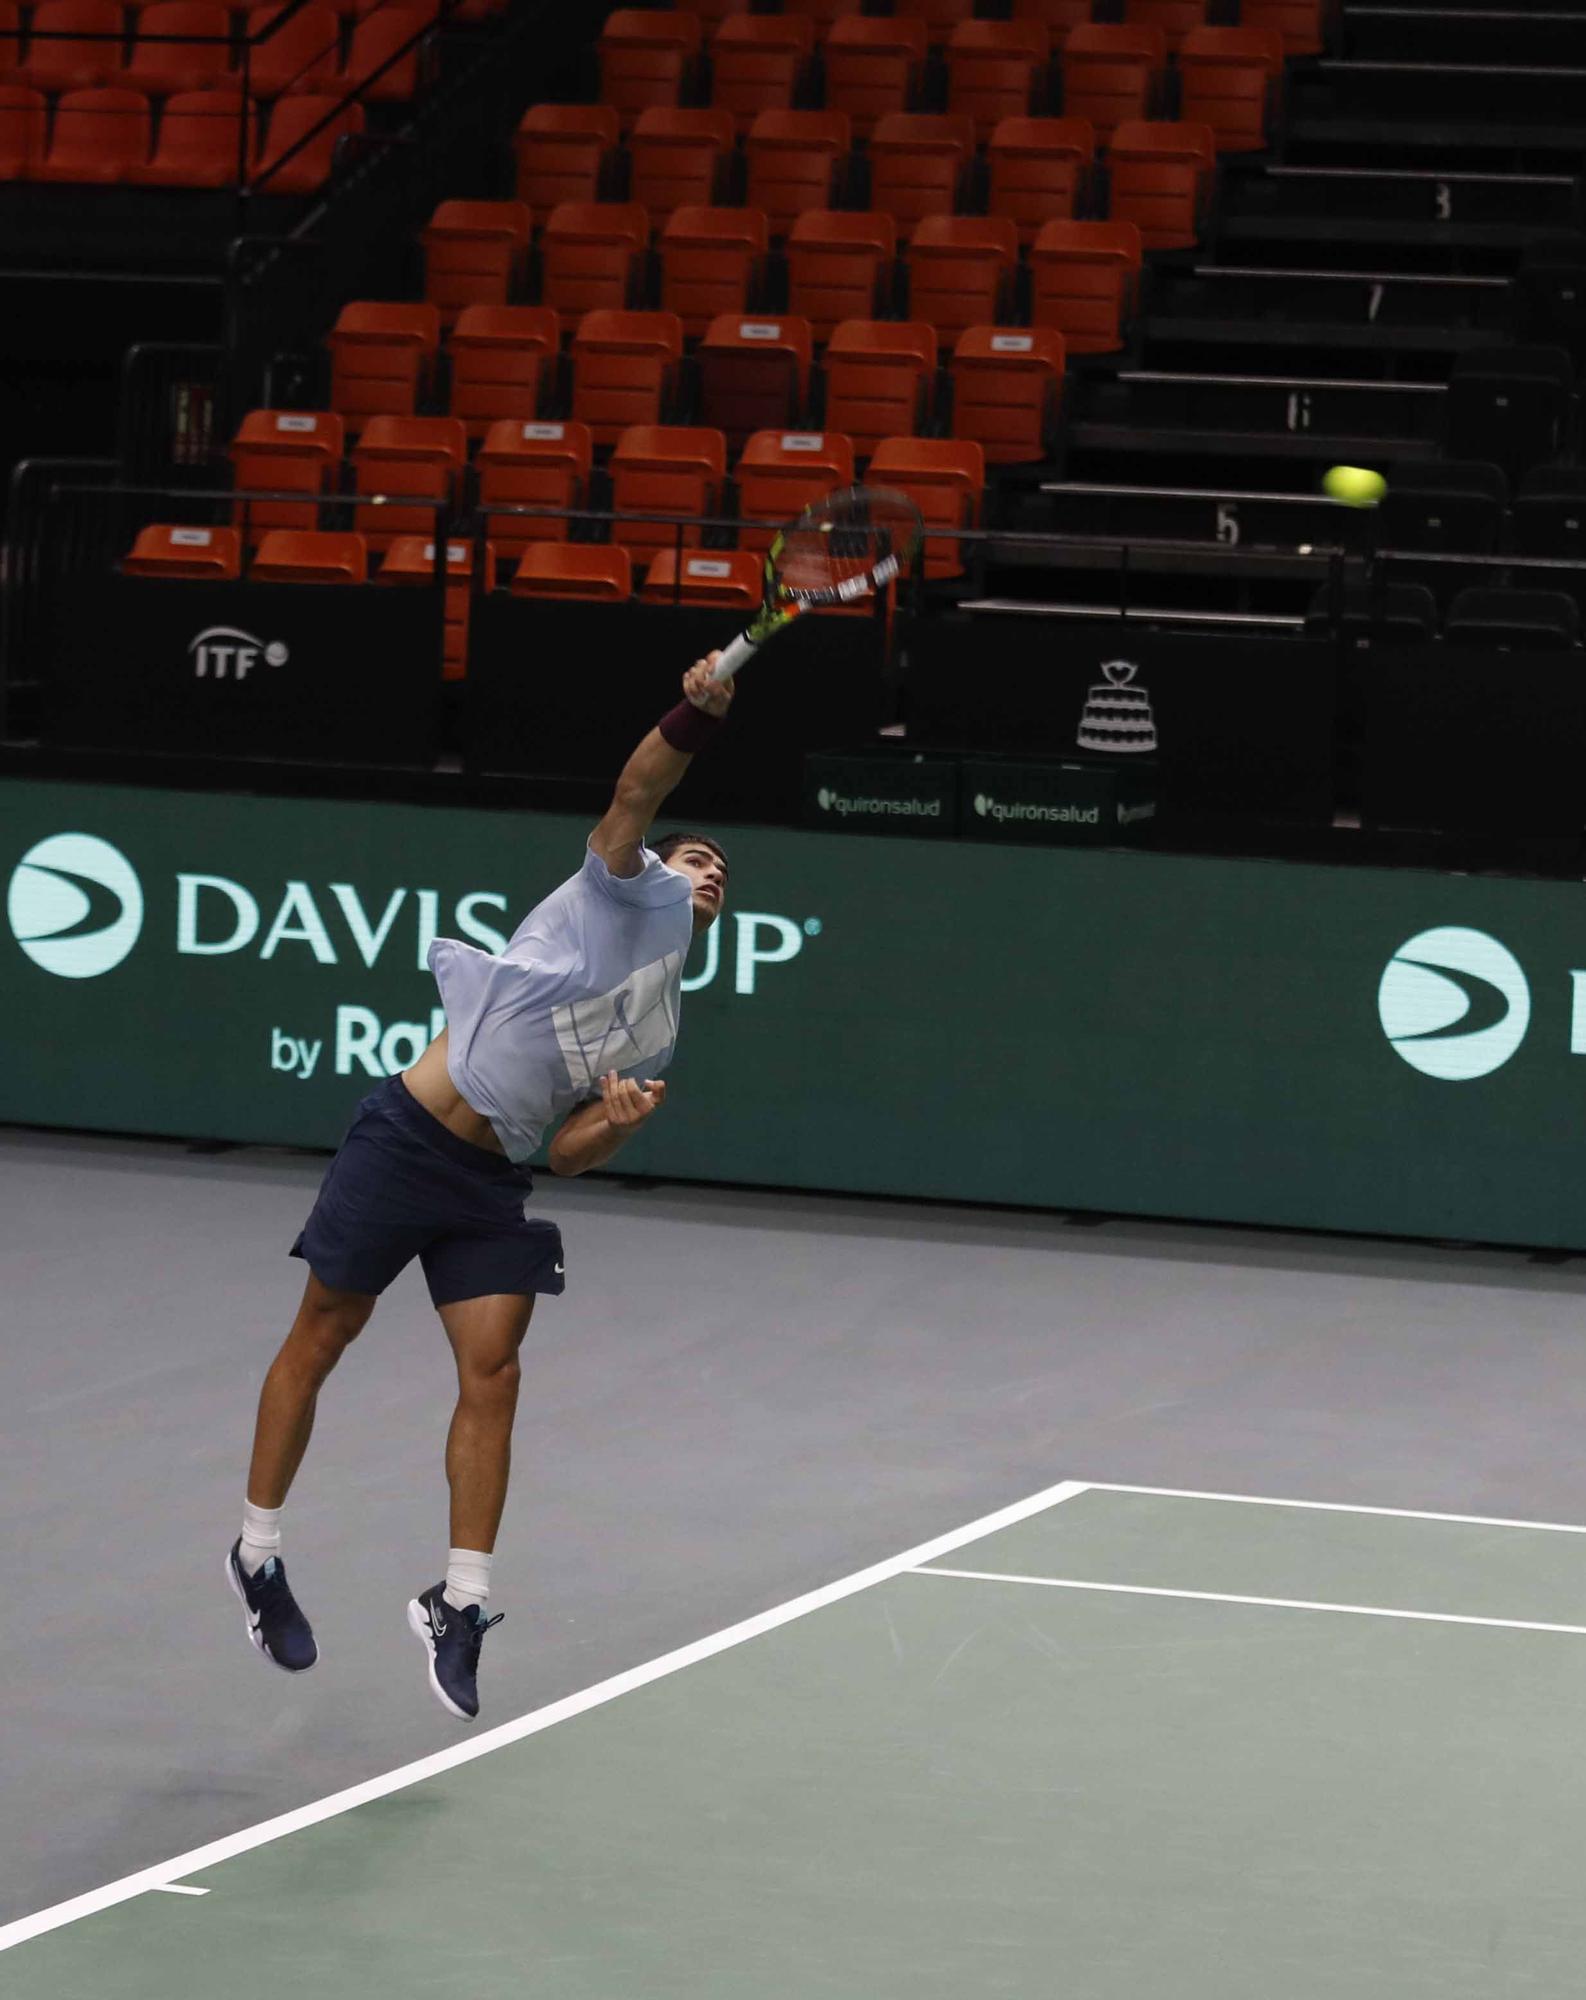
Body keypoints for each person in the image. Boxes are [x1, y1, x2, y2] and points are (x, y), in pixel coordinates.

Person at [226, 654, 734, 1720]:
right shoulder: (613, 888)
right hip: (403, 1135)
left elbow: (567, 1152)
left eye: (720, 871)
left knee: (493, 1372)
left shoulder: (658, 1020)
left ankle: (460, 1600)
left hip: (488, 1177)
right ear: (661, 870)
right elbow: (639, 787)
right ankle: (258, 1553)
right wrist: (695, 709)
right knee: (324, 1330)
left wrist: (616, 1122)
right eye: (695, 855)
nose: (706, 869)